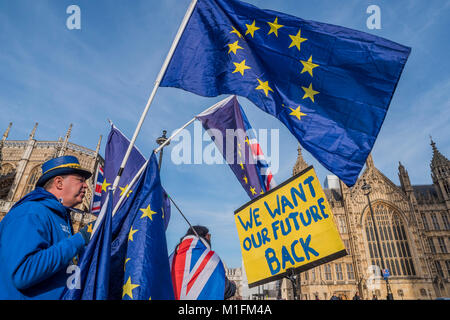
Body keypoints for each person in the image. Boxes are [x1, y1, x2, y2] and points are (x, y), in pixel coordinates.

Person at [0, 156, 93, 300]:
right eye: (80, 180)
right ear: (59, 182)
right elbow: (23, 272)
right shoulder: (31, 212)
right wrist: (79, 239)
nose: (86, 186)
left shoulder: (60, 217)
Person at [170, 225, 236, 300]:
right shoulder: (210, 258)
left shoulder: (170, 259)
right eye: (209, 236)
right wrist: (233, 285)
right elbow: (223, 288)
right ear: (206, 236)